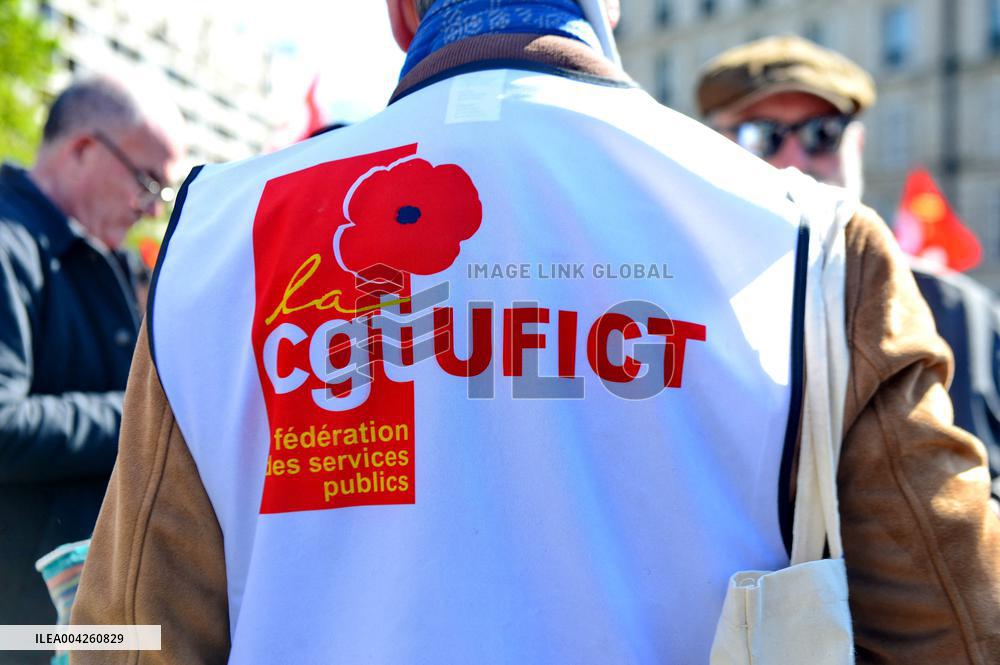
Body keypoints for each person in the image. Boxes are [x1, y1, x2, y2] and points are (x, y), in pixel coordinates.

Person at [73, 3, 1000, 664]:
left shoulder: (218, 233)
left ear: (402, 13)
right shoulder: (816, 242)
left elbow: (130, 633)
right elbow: (960, 625)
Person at [696, 35, 1000, 503]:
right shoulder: (672, 302)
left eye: (823, 134)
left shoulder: (955, 308)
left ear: (855, 145)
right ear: (708, 146)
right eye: (761, 135)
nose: (795, 161)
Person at [0, 75, 180, 654]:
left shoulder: (95, 256)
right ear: (83, 149)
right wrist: (142, 415)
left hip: (67, 619)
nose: (152, 208)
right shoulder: (11, 243)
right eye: (148, 182)